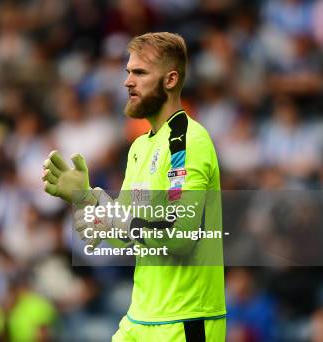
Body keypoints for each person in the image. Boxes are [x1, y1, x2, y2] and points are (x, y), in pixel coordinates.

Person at [42, 32, 226, 341]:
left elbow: (179, 235)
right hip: (140, 318)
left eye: (139, 73)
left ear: (170, 80)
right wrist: (89, 203)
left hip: (185, 321)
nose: (128, 81)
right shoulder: (139, 146)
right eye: (128, 72)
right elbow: (131, 239)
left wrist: (113, 216)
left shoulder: (189, 141)